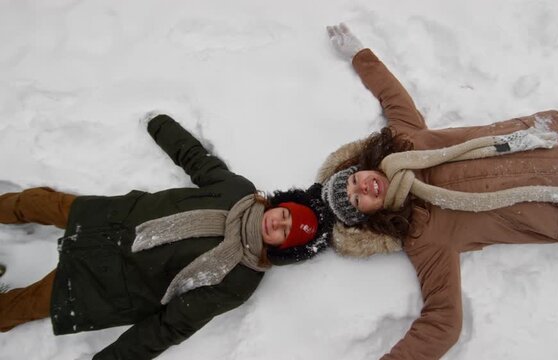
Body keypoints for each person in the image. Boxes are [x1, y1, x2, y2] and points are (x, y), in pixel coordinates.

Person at [320, 24, 558, 360]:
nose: (364, 187)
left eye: (355, 180)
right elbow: (443, 323)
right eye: (358, 200)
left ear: (361, 166)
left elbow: (392, 95)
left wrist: (360, 55)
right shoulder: (423, 234)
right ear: (370, 216)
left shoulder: (406, 141)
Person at [0, 114, 334, 360]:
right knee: (34, 202)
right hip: (109, 221)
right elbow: (198, 161)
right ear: (281, 204)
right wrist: (160, 124)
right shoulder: (237, 191)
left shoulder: (240, 280)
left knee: (20, 307)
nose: (278, 224)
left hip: (103, 285)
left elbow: (170, 325)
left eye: (286, 234)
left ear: (284, 249)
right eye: (286, 215)